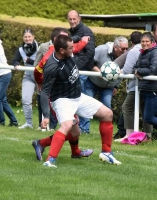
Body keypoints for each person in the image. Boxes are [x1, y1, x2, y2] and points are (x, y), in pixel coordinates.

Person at [39, 34, 121, 167]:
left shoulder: (67, 52)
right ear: (62, 50)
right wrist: (46, 116)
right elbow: (45, 91)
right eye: (71, 48)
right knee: (66, 126)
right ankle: (50, 160)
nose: (74, 50)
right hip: (62, 100)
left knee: (107, 114)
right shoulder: (51, 66)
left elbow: (74, 41)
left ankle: (106, 153)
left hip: (78, 97)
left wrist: (82, 38)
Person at [32, 27, 92, 160]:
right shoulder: (49, 58)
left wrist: (83, 42)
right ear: (57, 42)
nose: (70, 43)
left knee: (75, 131)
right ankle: (46, 150)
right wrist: (40, 82)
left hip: (68, 97)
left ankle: (74, 152)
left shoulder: (62, 51)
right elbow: (37, 71)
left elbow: (74, 48)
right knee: (68, 127)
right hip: (57, 98)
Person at [79, 36, 128, 134]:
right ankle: (84, 129)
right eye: (123, 49)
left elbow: (122, 72)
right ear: (115, 47)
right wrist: (100, 72)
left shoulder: (126, 56)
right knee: (87, 106)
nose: (125, 51)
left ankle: (106, 132)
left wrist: (116, 86)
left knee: (107, 108)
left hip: (108, 87)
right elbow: (88, 62)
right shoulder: (101, 49)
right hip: (92, 82)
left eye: (127, 48)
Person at [115, 31, 152, 142]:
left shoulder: (134, 51)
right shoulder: (152, 50)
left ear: (131, 43)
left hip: (136, 86)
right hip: (148, 86)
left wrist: (119, 72)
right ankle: (148, 136)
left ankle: (129, 135)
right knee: (145, 110)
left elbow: (126, 70)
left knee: (127, 107)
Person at [67, 10, 96, 133]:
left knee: (80, 98)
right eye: (70, 19)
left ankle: (84, 128)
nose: (72, 21)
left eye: (74, 19)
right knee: (74, 98)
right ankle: (78, 127)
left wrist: (77, 67)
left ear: (79, 18)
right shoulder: (71, 32)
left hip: (81, 71)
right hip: (75, 69)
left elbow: (90, 52)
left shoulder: (86, 31)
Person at [12, 28, 39, 129]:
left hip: (41, 77)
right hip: (28, 76)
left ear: (33, 37)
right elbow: (15, 60)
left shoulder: (40, 47)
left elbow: (43, 62)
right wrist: (16, 64)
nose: (27, 39)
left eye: (29, 37)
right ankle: (29, 123)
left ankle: (45, 124)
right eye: (25, 37)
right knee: (26, 99)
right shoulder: (20, 49)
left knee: (44, 101)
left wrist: (30, 61)